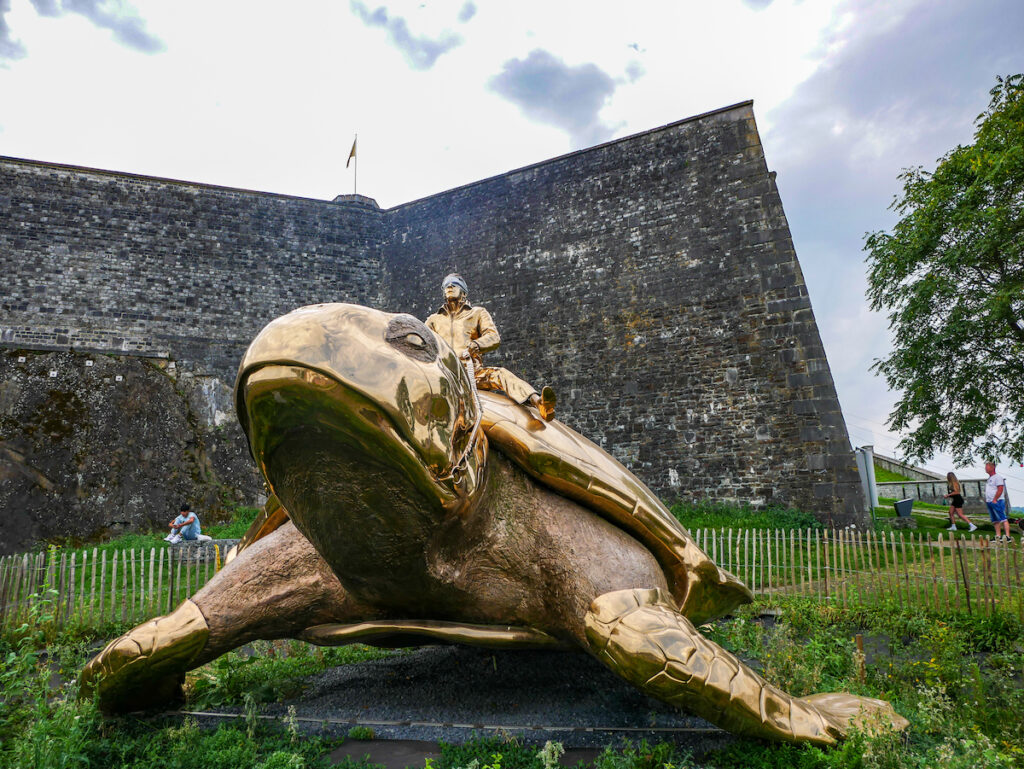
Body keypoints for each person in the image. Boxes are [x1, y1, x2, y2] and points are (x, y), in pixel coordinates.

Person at [425, 274, 556, 421]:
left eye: (454, 284)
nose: (449, 286)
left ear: (464, 292)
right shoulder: (433, 320)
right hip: (443, 373)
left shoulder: (477, 313)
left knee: (501, 375)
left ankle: (539, 402)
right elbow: (422, 344)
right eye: (446, 285)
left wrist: (477, 344)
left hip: (471, 375)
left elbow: (493, 337)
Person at [984, 462, 1012, 543]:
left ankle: (1007, 536)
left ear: (992, 467)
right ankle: (998, 536)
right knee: (995, 520)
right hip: (989, 501)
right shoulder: (989, 478)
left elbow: (1000, 489)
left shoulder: (998, 477)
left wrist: (995, 499)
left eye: (987, 466)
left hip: (997, 501)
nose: (985, 468)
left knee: (1003, 518)